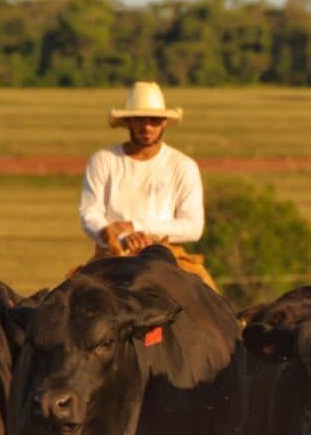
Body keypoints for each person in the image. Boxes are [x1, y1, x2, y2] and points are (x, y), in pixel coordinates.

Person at [79, 81, 217, 289]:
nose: (147, 127)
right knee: (67, 303)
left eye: (154, 120)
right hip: (112, 254)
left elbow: (193, 226)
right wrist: (119, 237)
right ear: (128, 122)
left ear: (164, 123)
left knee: (216, 309)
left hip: (168, 255)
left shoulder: (183, 166)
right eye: (140, 120)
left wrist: (139, 228)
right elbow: (90, 213)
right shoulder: (103, 160)